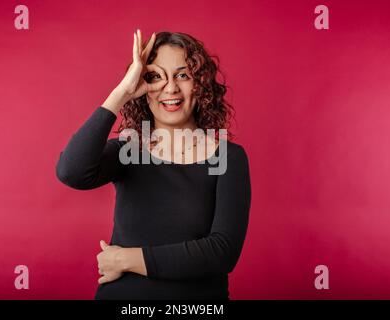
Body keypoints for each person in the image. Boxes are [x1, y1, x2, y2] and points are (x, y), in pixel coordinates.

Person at [55, 29, 252, 300]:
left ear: (200, 84)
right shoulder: (129, 149)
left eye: (183, 75)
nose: (170, 88)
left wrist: (127, 259)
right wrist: (122, 92)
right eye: (155, 77)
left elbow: (221, 253)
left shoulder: (228, 157)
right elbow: (71, 172)